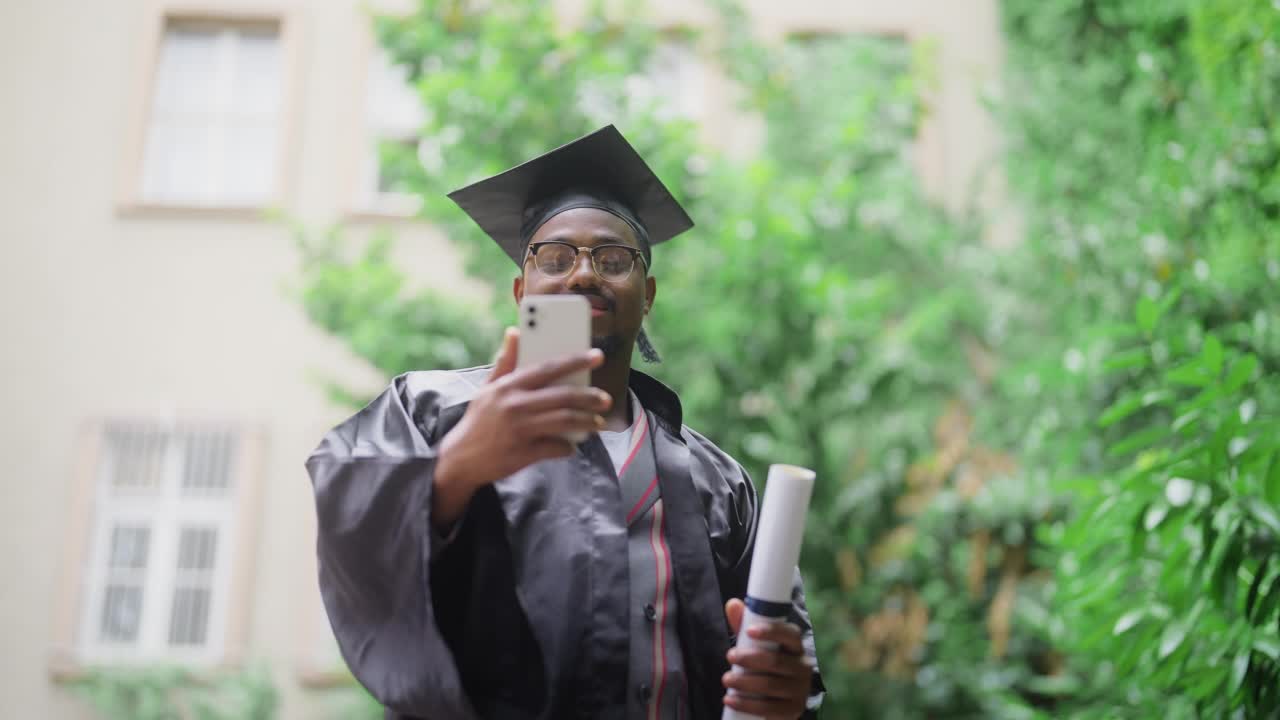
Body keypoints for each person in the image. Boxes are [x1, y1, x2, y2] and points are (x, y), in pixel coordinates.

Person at [306, 125, 824, 720]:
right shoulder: (433, 412)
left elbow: (782, 671)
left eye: (612, 258)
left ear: (647, 294)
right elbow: (348, 519)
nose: (582, 275)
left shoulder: (718, 480)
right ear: (522, 288)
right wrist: (454, 468)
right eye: (555, 258)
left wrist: (784, 694)